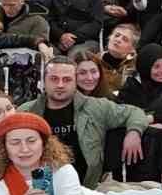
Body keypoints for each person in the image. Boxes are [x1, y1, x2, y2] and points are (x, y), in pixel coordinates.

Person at [18, 57, 148, 187]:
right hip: (41, 186)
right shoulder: (26, 112)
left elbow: (135, 112)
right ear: (44, 81)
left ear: (75, 82)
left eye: (67, 79)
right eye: (54, 79)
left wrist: (134, 132)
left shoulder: (95, 107)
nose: (60, 85)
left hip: (87, 187)